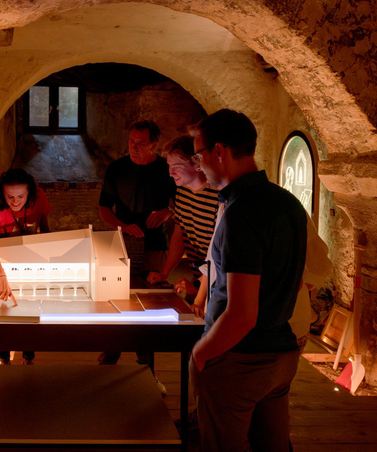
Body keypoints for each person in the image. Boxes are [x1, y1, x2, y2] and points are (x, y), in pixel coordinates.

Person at [189, 109, 307, 452]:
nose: (198, 165)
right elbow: (294, 282)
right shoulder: (288, 203)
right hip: (282, 354)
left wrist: (201, 352)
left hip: (239, 359)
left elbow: (241, 314)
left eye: (199, 154)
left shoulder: (241, 213)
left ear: (220, 151)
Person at [98, 120, 176, 367]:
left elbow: (178, 204)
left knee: (149, 305)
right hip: (122, 244)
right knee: (116, 300)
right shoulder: (117, 169)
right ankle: (110, 355)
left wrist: (166, 212)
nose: (134, 146)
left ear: (154, 145)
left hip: (155, 243)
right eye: (132, 141)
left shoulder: (166, 169)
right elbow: (103, 208)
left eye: (141, 143)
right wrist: (121, 225)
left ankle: (147, 364)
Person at [0, 168, 52, 364]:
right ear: (2, 194)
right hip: (3, 261)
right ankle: (3, 356)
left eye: (20, 196)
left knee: (30, 307)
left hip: (32, 258)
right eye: (10, 196)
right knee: (4, 308)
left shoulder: (40, 198)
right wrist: (0, 275)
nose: (16, 201)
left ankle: (28, 355)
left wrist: (50, 256)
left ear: (30, 193)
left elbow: (45, 226)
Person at [148, 136, 219, 317]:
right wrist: (165, 273)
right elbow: (180, 234)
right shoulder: (183, 192)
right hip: (200, 282)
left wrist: (198, 293)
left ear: (197, 163)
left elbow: (218, 254)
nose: (171, 173)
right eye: (169, 166)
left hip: (216, 285)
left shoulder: (218, 197)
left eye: (176, 167)